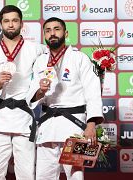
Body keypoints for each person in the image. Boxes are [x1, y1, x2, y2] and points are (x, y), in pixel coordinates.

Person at [29, 17, 104, 180]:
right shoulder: (40, 61)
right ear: (44, 35)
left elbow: (93, 92)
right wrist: (40, 91)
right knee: (44, 175)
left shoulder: (80, 58)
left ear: (66, 33)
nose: (52, 34)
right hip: (48, 125)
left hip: (74, 126)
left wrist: (91, 125)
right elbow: (32, 96)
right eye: (48, 31)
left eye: (56, 29)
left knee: (75, 175)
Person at [0, 5, 46, 180]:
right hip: (0, 118)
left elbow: (52, 67)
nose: (11, 25)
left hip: (25, 118)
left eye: (15, 20)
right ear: (0, 24)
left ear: (21, 23)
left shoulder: (37, 49)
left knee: (26, 174)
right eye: (6, 21)